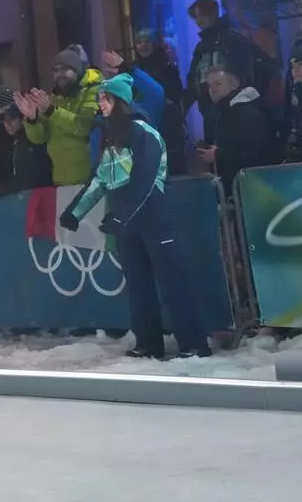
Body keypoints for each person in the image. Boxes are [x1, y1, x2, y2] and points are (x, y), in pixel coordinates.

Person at [59, 75, 211, 360]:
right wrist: (74, 213)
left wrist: (123, 215)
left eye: (106, 98)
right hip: (126, 223)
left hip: (152, 218)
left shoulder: (143, 132)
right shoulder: (111, 139)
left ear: (121, 101)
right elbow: (100, 181)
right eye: (100, 98)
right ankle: (148, 343)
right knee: (139, 286)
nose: (100, 103)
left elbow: (145, 179)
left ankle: (194, 343)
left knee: (173, 282)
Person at [184, 0, 276, 142]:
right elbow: (194, 79)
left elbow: (251, 71)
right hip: (211, 111)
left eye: (201, 15)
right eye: (195, 16)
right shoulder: (202, 47)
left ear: (213, 14)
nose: (198, 21)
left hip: (234, 109)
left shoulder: (233, 40)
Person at [19, 45, 102, 187]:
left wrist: (51, 111)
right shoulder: (54, 97)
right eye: (55, 70)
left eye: (65, 69)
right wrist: (32, 119)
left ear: (76, 69)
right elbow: (39, 138)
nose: (59, 74)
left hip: (89, 179)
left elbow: (85, 126)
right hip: (60, 181)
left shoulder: (94, 90)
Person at [200, 67, 281, 194]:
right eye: (210, 86)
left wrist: (217, 154)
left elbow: (255, 151)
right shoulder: (225, 111)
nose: (213, 90)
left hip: (253, 189)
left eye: (218, 84)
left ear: (234, 84)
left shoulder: (246, 112)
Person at [133, 31, 188, 175]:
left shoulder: (168, 69)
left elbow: (175, 96)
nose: (143, 45)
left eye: (147, 41)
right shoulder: (133, 71)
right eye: (139, 42)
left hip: (167, 127)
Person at [0, 102, 53, 199]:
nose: (8, 124)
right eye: (4, 120)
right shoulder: (15, 142)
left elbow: (27, 180)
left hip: (39, 198)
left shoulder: (30, 142)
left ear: (23, 118)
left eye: (12, 118)